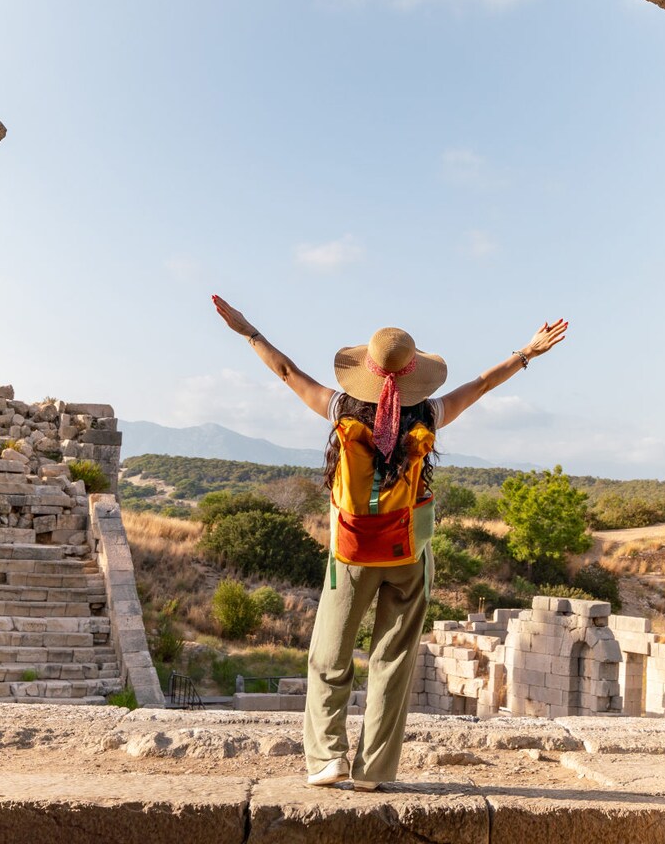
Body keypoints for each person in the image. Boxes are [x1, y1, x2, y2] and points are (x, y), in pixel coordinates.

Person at [210, 295, 567, 790]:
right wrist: (527, 352)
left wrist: (249, 332)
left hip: (351, 554)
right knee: (393, 662)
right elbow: (481, 385)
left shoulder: (341, 408)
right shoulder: (428, 413)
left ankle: (327, 758)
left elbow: (288, 372)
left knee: (329, 656)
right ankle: (373, 771)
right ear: (413, 372)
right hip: (409, 555)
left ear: (368, 371)